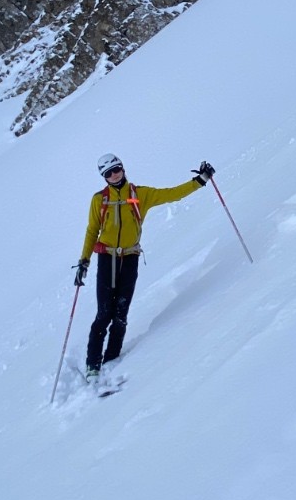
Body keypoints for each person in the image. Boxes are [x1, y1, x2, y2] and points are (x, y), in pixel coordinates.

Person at [76, 152, 215, 377]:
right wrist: (84, 262)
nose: (114, 175)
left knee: (121, 312)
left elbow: (173, 194)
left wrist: (200, 181)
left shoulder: (141, 194)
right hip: (107, 259)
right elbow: (92, 231)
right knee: (104, 313)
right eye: (108, 173)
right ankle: (92, 364)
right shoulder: (99, 200)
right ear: (104, 177)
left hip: (130, 257)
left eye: (116, 169)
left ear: (123, 168)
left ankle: (111, 360)